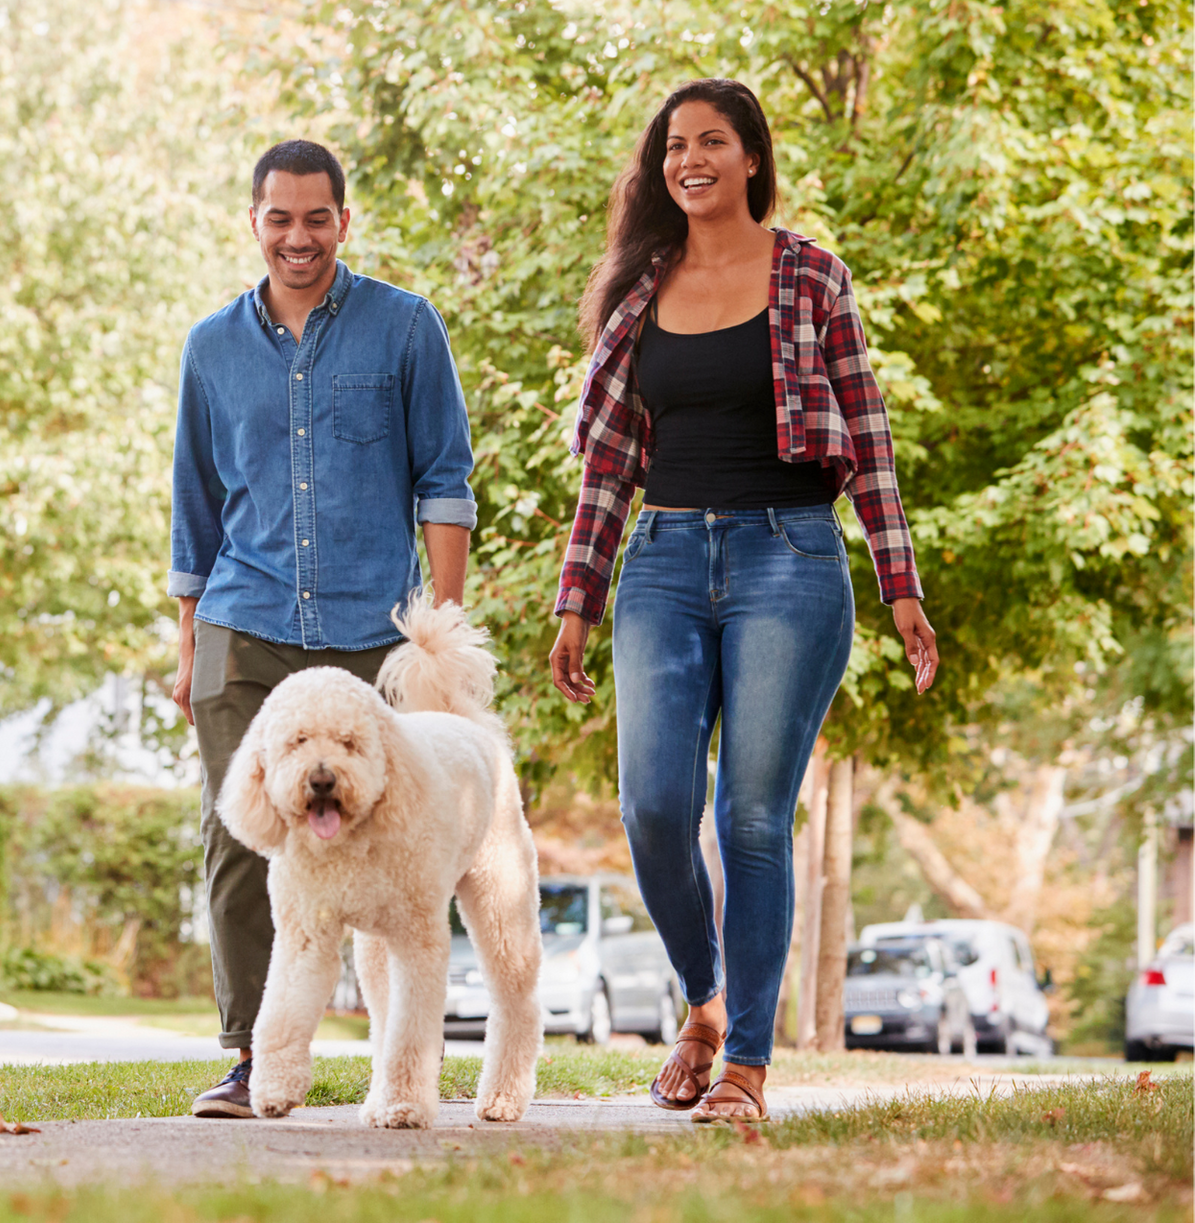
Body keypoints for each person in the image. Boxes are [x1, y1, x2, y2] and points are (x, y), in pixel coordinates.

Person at [547, 79, 939, 1124]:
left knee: (752, 818)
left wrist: (900, 586)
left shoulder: (813, 276)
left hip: (789, 561)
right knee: (654, 809)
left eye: (712, 141)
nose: (690, 160)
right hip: (664, 562)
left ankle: (748, 1071)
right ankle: (706, 1002)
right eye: (675, 145)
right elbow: (608, 466)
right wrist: (576, 596)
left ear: (753, 158)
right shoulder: (641, 290)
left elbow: (870, 439)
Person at [170, 139, 478, 1118]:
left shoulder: (404, 328)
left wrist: (442, 631)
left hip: (371, 634)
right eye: (278, 217)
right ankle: (253, 1059)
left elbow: (445, 481)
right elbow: (194, 508)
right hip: (243, 619)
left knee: (396, 840)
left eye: (315, 218)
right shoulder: (210, 348)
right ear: (254, 222)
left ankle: (403, 1056)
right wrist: (186, 649)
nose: (296, 236)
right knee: (240, 839)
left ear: (343, 222)